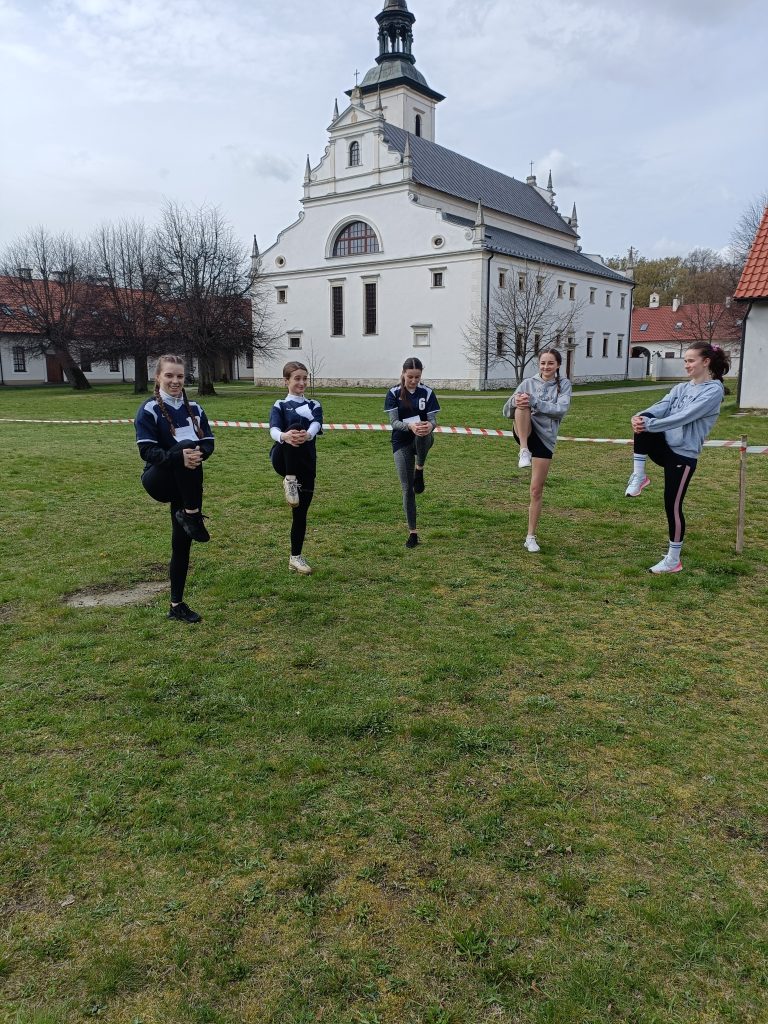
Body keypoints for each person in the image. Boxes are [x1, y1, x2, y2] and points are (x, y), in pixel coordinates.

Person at [625, 341, 729, 574]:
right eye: (685, 361)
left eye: (691, 361)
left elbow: (685, 416)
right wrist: (641, 416)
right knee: (642, 424)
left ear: (706, 362)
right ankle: (639, 476)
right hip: (664, 446)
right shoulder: (681, 388)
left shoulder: (713, 390)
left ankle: (673, 560)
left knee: (672, 505)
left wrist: (652, 424)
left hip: (683, 455)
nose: (687, 365)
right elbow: (661, 406)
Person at [134, 354, 215, 623]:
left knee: (181, 544)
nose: (175, 381)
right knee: (185, 449)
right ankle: (193, 513)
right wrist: (179, 456)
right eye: (169, 375)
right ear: (158, 377)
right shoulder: (149, 409)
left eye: (180, 376)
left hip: (186, 480)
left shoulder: (196, 408)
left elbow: (209, 444)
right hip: (158, 480)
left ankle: (176, 605)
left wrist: (196, 454)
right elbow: (147, 451)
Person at [502, 348, 572, 553]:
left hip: (545, 439)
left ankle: (530, 536)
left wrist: (536, 402)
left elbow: (561, 410)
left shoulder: (564, 385)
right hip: (525, 431)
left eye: (550, 363)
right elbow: (506, 411)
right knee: (521, 404)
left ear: (558, 365)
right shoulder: (527, 383)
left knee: (536, 490)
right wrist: (517, 401)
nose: (546, 367)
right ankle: (523, 450)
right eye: (543, 363)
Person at [269, 361, 323, 575]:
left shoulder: (314, 404)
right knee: (293, 429)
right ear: (286, 381)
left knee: (300, 515)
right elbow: (273, 429)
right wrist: (285, 436)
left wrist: (308, 435)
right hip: (283, 458)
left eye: (304, 378)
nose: (301, 382)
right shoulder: (280, 405)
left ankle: (295, 557)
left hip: (306, 464)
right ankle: (289, 480)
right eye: (297, 378)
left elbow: (317, 424)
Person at [384, 357, 440, 548]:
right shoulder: (393, 393)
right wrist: (410, 426)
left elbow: (433, 420)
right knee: (407, 488)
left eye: (417, 377)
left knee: (425, 431)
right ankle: (413, 533)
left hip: (422, 438)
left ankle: (420, 468)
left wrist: (427, 426)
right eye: (410, 377)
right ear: (403, 374)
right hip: (401, 440)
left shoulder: (428, 392)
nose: (414, 381)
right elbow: (393, 423)